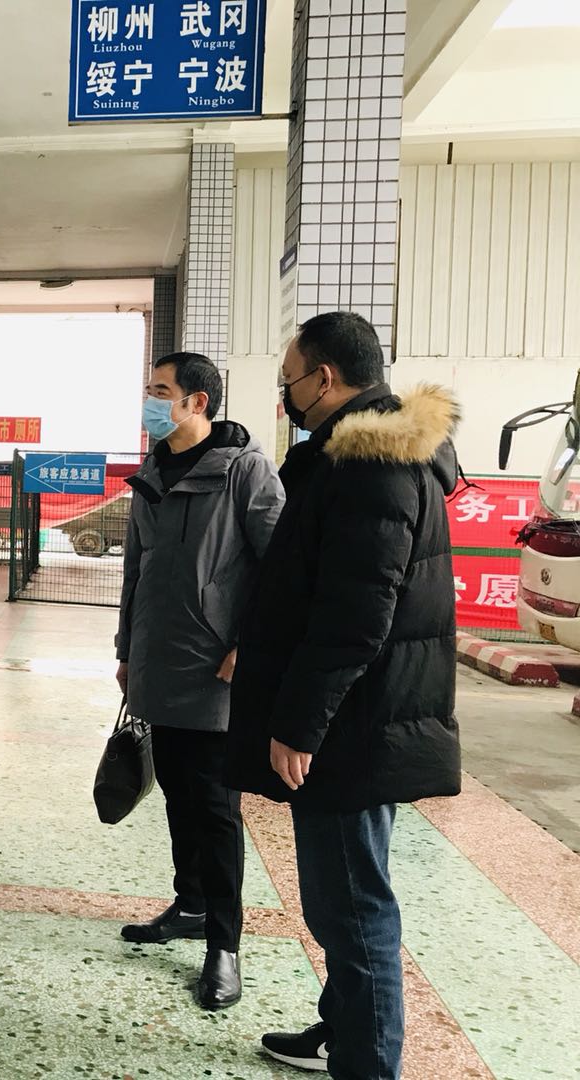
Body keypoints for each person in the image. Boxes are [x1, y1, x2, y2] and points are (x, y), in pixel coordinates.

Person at [226, 312, 462, 1078]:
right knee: (343, 899)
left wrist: (300, 725)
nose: (286, 395)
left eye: (289, 380)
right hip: (358, 719)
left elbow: (356, 616)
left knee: (353, 909)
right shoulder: (363, 455)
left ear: (323, 378)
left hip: (350, 728)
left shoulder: (369, 464)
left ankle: (366, 1063)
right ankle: (342, 1029)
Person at [115, 352, 283, 1011]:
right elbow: (135, 571)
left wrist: (250, 645)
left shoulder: (243, 470)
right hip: (158, 664)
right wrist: (127, 650)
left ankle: (225, 944)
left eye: (161, 391)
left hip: (216, 672)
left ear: (197, 403)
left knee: (215, 809)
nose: (150, 401)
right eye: (149, 389)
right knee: (177, 796)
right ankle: (189, 905)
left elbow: (279, 567)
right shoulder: (153, 471)